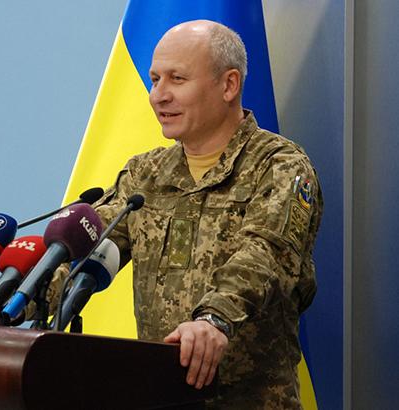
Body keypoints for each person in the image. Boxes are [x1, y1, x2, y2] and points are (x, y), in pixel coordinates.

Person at [42, 20, 323, 409]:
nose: (158, 96)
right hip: (161, 396)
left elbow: (265, 256)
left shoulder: (279, 165)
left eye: (177, 79)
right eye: (155, 79)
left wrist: (213, 320)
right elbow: (86, 245)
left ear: (228, 85)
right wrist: (12, 304)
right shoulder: (146, 175)